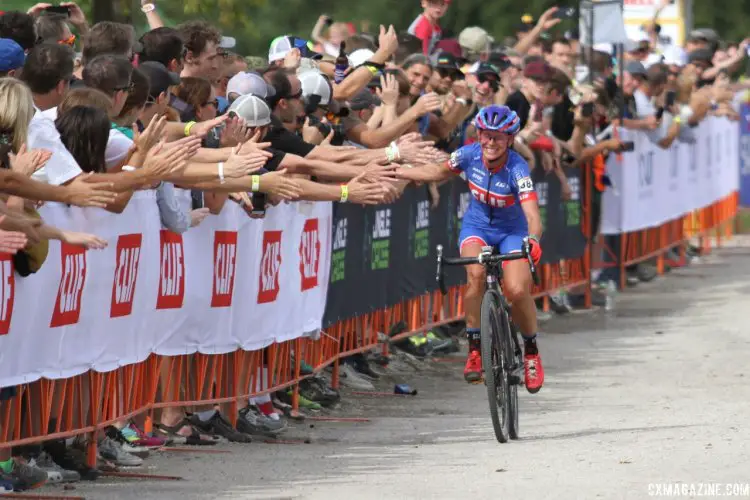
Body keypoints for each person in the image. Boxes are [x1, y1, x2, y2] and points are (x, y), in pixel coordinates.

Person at [393, 105, 544, 392]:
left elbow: (533, 215)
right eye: (485, 135)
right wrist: (400, 171)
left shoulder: (517, 168)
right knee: (474, 276)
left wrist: (533, 240)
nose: (490, 142)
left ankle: (532, 352)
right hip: (477, 227)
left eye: (498, 137)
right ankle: (475, 350)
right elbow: (438, 171)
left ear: (510, 140)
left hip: (512, 232)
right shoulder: (468, 154)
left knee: (515, 290)